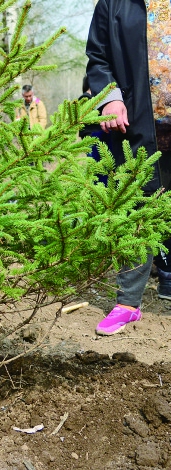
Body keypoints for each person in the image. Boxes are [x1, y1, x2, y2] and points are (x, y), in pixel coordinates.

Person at [86, 0, 171, 335]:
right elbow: (98, 57)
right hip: (138, 123)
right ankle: (128, 302)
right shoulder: (115, 3)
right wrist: (112, 97)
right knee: (138, 208)